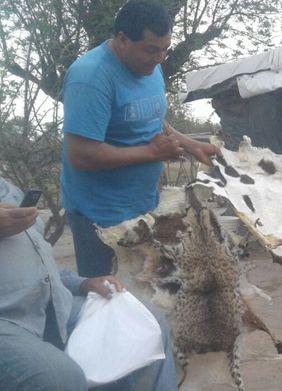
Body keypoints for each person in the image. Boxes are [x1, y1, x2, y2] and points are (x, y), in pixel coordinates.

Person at [61, 0, 220, 279]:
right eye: (151, 50)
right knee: (112, 305)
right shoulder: (90, 78)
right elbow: (81, 155)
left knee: (151, 299)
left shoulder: (151, 67)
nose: (160, 58)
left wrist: (192, 145)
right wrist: (151, 153)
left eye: (164, 50)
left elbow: (151, 120)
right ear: (123, 39)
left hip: (145, 207)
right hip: (101, 220)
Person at [0, 177, 179, 391]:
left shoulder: (7, 189)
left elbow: (35, 260)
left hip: (52, 305)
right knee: (58, 380)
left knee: (147, 324)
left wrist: (81, 283)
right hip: (7, 318)